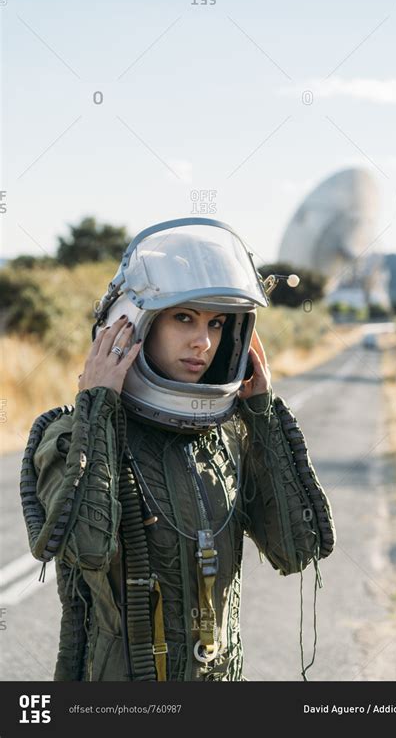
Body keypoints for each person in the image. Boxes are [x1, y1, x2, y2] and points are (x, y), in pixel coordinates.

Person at [21, 217, 336, 682]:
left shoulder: (228, 437)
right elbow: (87, 549)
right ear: (131, 326)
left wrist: (262, 418)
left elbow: (296, 549)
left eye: (217, 323)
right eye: (183, 318)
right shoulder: (71, 436)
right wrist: (98, 410)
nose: (203, 342)